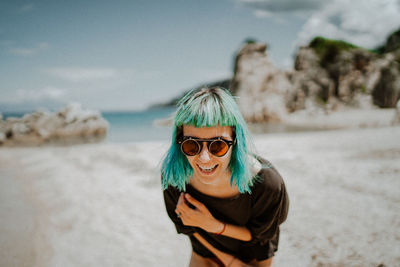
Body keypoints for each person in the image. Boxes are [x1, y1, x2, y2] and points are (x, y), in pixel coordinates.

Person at [161, 87, 289, 267]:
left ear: (236, 141)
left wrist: (215, 226)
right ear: (179, 141)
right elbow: (190, 227)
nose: (204, 159)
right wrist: (227, 260)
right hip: (206, 254)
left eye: (217, 146)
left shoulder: (266, 184)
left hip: (253, 257)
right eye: (191, 145)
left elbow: (261, 234)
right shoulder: (175, 178)